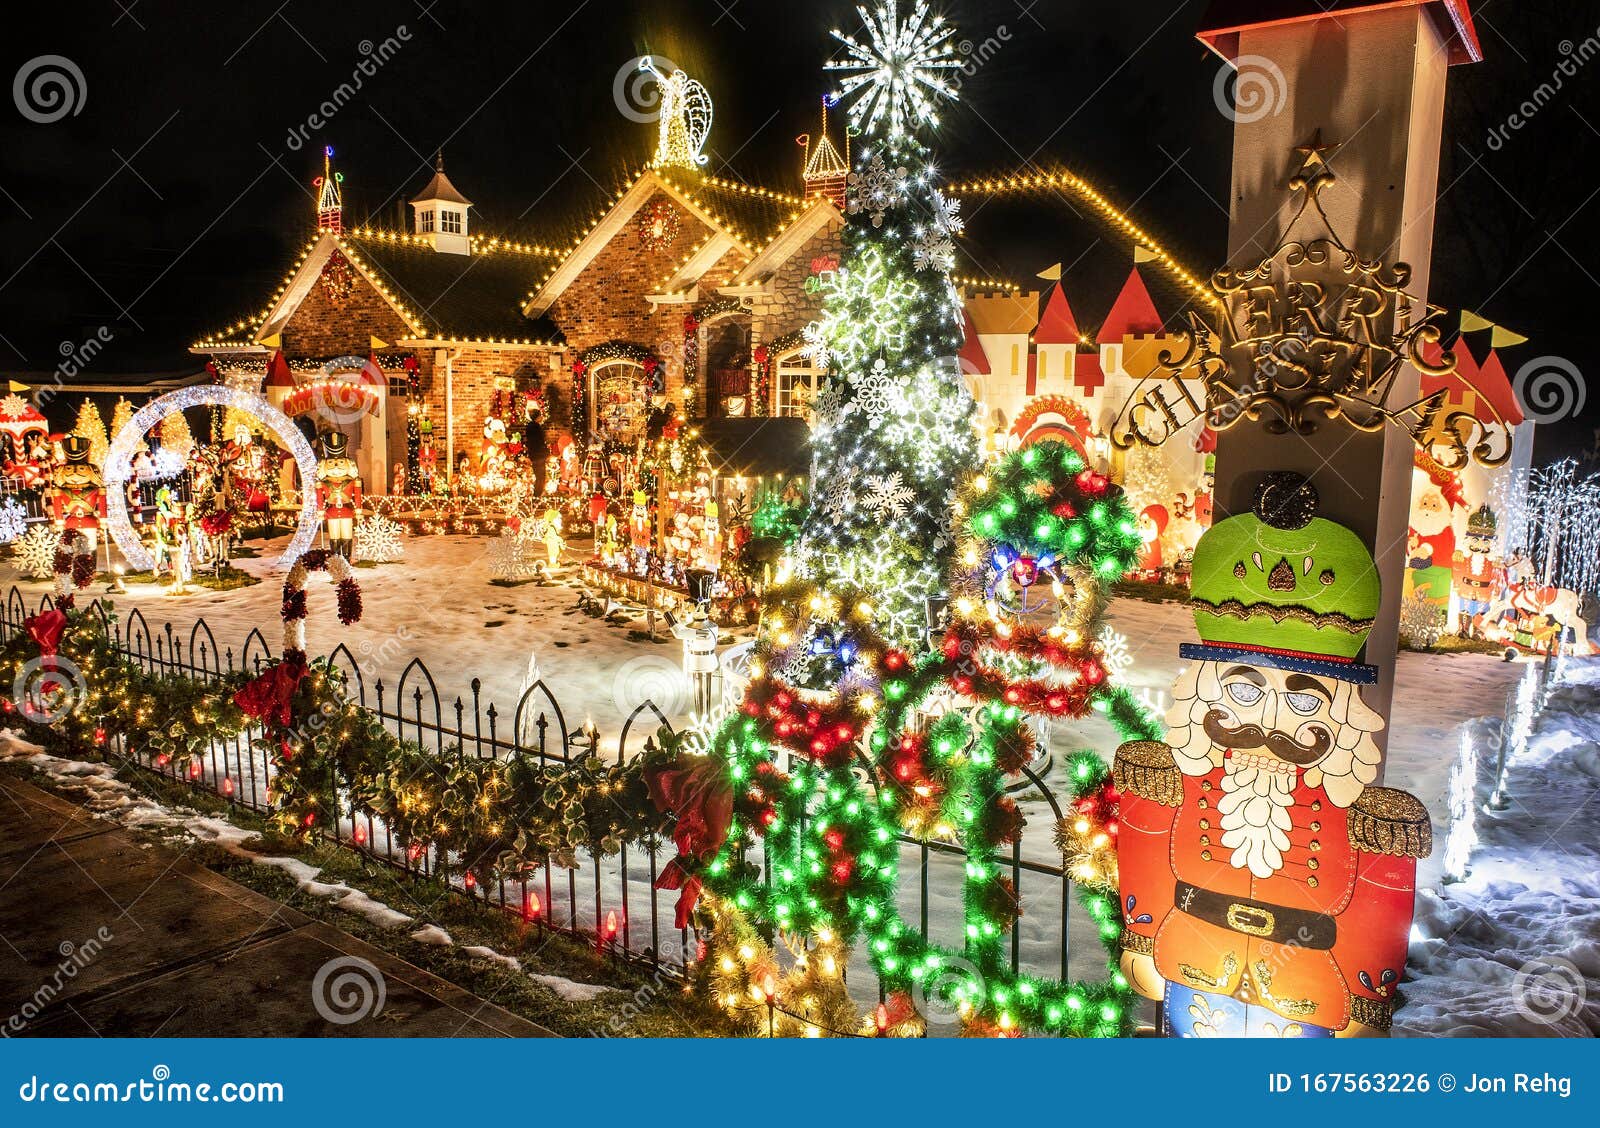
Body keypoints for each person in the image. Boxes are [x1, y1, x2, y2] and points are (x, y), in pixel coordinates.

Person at [523, 410, 550, 497]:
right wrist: (545, 451)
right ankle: (536, 495)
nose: (541, 417)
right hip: (538, 455)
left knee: (539, 476)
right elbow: (539, 442)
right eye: (540, 415)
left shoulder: (530, 426)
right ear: (537, 417)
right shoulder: (535, 427)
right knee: (540, 476)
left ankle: (537, 494)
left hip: (535, 455)